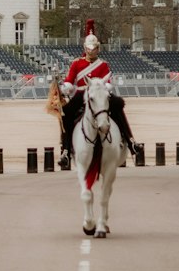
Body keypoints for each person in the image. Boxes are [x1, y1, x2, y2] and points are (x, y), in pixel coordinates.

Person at [59, 21, 140, 167]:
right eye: (89, 48)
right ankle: (65, 150)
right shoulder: (77, 63)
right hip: (82, 94)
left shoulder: (103, 64)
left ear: (98, 48)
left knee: (118, 106)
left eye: (94, 48)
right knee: (66, 113)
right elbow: (69, 80)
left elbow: (107, 81)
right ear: (85, 48)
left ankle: (130, 141)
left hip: (100, 93)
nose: (92, 51)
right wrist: (66, 87)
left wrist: (106, 87)